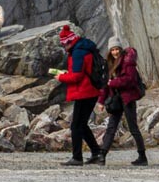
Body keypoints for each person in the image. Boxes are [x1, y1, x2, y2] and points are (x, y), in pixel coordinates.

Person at [53, 25, 104, 166]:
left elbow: (76, 76)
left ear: (69, 42)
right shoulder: (83, 48)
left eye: (64, 44)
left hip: (85, 92)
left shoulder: (78, 53)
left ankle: (77, 157)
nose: (64, 47)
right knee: (81, 124)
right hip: (90, 91)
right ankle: (97, 153)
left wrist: (61, 77)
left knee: (76, 126)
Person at [99, 36, 148, 166]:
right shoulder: (109, 64)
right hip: (116, 99)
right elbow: (105, 84)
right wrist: (101, 101)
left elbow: (130, 79)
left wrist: (114, 83)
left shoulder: (128, 61)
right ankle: (102, 155)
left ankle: (142, 156)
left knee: (133, 128)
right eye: (112, 50)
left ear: (120, 49)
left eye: (117, 49)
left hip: (128, 98)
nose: (115, 52)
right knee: (111, 127)